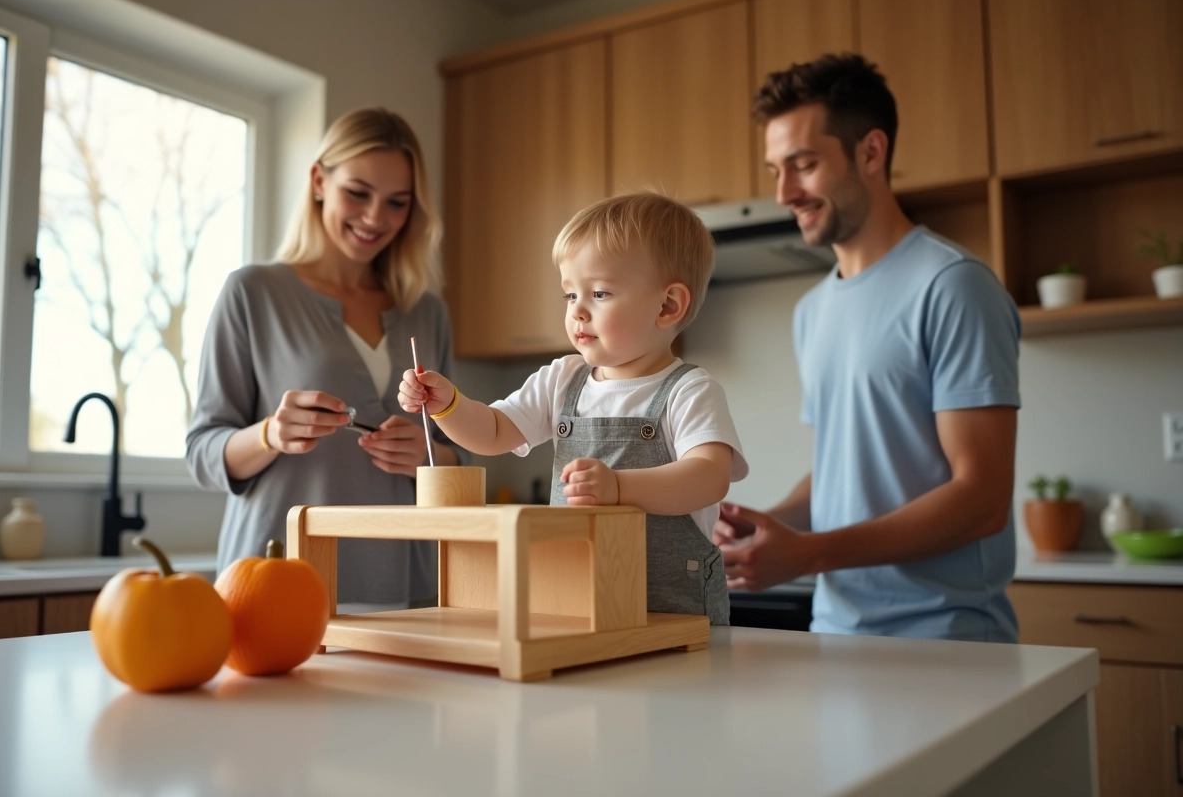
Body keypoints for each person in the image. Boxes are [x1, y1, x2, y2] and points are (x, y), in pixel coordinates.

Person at [715, 53, 1021, 642]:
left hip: (946, 641)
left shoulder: (952, 285)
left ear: (871, 152)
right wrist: (769, 525)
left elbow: (981, 497)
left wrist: (807, 555)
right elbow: (843, 469)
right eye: (775, 169)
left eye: (803, 165)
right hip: (836, 634)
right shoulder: (813, 311)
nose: (784, 193)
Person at [398, 193, 749, 624]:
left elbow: (709, 477)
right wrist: (447, 404)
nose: (577, 311)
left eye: (598, 293)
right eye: (569, 295)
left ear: (667, 305)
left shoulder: (689, 390)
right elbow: (493, 431)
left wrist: (618, 488)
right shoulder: (563, 379)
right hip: (576, 607)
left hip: (672, 616)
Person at [186, 107, 469, 606]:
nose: (375, 219)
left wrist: (427, 457)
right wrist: (271, 433)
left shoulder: (427, 313)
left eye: (397, 203)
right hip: (277, 575)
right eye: (357, 193)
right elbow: (204, 454)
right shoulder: (252, 293)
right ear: (319, 180)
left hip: (408, 585)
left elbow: (461, 454)